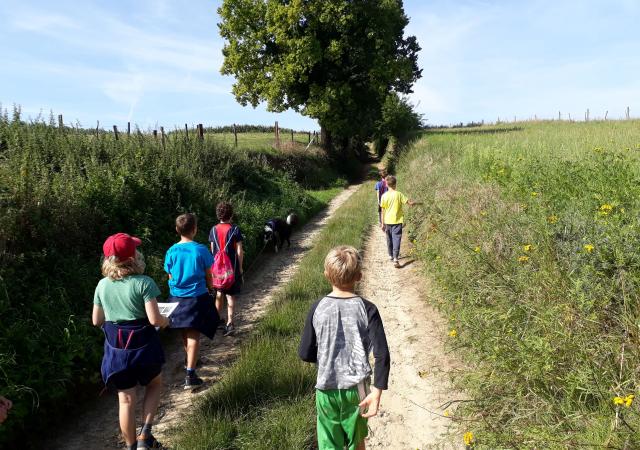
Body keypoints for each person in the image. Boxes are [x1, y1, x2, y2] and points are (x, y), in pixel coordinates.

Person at [299, 246, 390, 450]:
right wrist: (377, 391)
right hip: (357, 391)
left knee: (330, 444)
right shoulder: (368, 309)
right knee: (356, 442)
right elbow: (382, 353)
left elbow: (305, 352)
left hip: (326, 389)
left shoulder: (317, 307)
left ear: (326, 275)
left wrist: (326, 355)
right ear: (359, 276)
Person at [93, 233, 169, 450]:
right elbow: (154, 319)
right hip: (145, 349)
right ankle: (146, 434)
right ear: (133, 257)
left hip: (117, 352)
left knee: (125, 400)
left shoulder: (101, 285)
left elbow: (96, 320)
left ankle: (131, 446)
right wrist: (166, 321)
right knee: (154, 384)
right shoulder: (144, 283)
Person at [164, 213, 220, 389]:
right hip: (196, 296)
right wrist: (211, 288)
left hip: (176, 297)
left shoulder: (171, 251)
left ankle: (190, 359)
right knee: (194, 333)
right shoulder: (200, 249)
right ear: (195, 230)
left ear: (176, 230)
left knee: (184, 331)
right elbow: (208, 274)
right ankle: (190, 374)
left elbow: (170, 275)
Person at [209, 202, 244, 337]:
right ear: (231, 214)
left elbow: (212, 249)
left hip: (217, 269)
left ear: (218, 215)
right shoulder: (235, 229)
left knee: (219, 293)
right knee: (230, 295)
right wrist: (240, 268)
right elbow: (239, 250)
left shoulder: (213, 230)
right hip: (232, 268)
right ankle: (230, 323)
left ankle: (217, 320)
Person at [379, 175, 420, 268]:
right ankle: (395, 259)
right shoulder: (399, 194)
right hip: (397, 221)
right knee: (396, 239)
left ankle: (391, 255)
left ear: (386, 184)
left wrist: (382, 223)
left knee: (389, 239)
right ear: (395, 184)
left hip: (387, 221)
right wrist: (414, 203)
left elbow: (382, 211)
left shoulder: (384, 196)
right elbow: (409, 203)